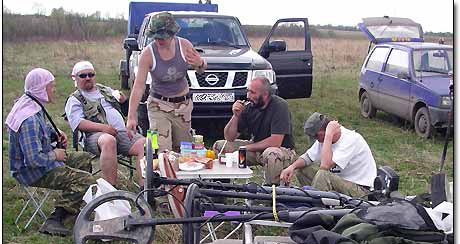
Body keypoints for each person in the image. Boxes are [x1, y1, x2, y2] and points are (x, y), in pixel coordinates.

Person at [6, 68, 96, 236]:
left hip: (39, 164)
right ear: (41, 88)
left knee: (83, 158)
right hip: (31, 172)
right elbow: (33, 160)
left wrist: (54, 134)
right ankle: (56, 219)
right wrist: (55, 155)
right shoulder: (29, 120)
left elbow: (40, 131)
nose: (54, 90)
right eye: (51, 86)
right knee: (86, 180)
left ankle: (70, 207)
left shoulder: (31, 104)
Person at [126, 12, 207, 152]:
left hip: (183, 105)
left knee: (184, 150)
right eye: (156, 37)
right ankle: (163, 172)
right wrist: (131, 116)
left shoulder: (185, 46)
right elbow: (138, 87)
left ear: (172, 34)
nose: (159, 41)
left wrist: (200, 63)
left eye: (163, 37)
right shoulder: (148, 54)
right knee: (162, 150)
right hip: (158, 105)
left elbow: (201, 69)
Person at [65, 61, 145, 187]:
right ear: (75, 78)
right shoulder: (75, 99)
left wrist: (124, 101)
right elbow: (78, 123)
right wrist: (103, 128)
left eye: (91, 75)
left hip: (121, 133)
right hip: (94, 137)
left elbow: (126, 110)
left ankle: (145, 188)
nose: (88, 78)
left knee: (145, 144)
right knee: (108, 140)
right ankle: (109, 190)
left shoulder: (105, 90)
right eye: (83, 76)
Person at [212, 77, 297, 185]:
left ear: (265, 94)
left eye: (252, 92)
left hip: (281, 150)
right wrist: (236, 116)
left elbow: (275, 142)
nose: (248, 96)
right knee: (220, 146)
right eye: (248, 91)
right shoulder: (249, 106)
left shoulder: (280, 106)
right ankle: (221, 190)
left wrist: (245, 148)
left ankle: (272, 195)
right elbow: (229, 137)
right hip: (257, 150)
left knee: (272, 154)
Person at [280, 112, 377, 197]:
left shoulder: (351, 140)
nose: (317, 140)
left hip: (361, 191)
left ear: (327, 130)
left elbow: (325, 166)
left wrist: (328, 136)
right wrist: (292, 167)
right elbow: (308, 157)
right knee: (302, 170)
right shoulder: (323, 139)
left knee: (323, 175)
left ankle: (316, 209)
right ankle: (314, 199)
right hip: (339, 183)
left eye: (317, 136)